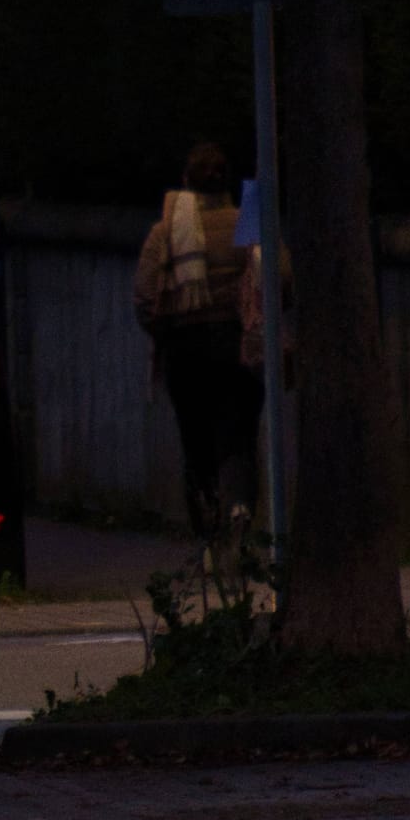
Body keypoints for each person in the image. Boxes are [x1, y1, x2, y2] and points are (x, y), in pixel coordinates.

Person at [131, 142, 263, 545]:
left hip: (186, 351)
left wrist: (166, 329)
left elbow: (145, 297)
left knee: (196, 438)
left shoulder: (166, 232)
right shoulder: (246, 223)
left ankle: (207, 527)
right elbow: (280, 278)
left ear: (186, 182)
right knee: (239, 433)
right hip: (237, 345)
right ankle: (240, 505)